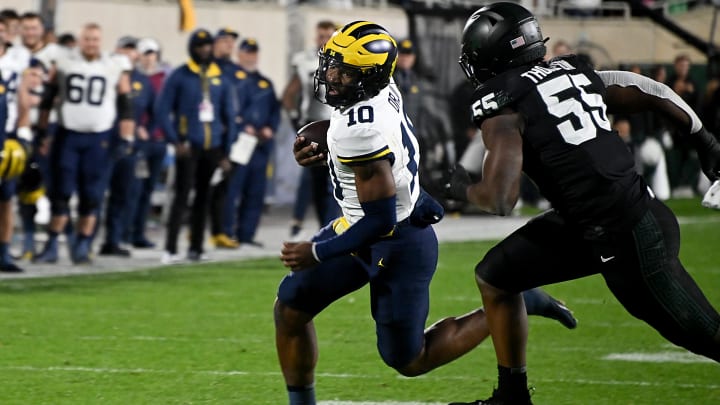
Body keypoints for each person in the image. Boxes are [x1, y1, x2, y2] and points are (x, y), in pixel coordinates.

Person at [274, 21, 576, 405]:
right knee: (290, 309)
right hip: (361, 223)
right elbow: (343, 129)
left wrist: (316, 252)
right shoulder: (382, 88)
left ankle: (520, 303)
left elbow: (380, 218)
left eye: (344, 71)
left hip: (397, 241)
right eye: (331, 64)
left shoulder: (360, 131)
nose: (331, 76)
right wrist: (317, 140)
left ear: (369, 76)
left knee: (410, 359)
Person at [444, 3, 720, 404]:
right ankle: (512, 396)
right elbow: (650, 90)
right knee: (496, 276)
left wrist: (458, 189)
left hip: (629, 234)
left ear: (488, 56)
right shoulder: (571, 70)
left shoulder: (502, 102)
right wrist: (707, 143)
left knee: (704, 333)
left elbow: (501, 198)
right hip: (588, 222)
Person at [33, 22, 135, 264]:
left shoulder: (114, 64)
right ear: (80, 40)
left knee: (91, 195)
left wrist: (127, 136)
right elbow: (48, 97)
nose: (91, 44)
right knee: (62, 192)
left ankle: (83, 245)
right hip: (69, 135)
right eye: (87, 39)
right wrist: (41, 130)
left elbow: (126, 104)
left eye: (95, 39)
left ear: (101, 41)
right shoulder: (65, 59)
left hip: (99, 136)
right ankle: (52, 244)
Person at [154, 28, 236, 264]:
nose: (205, 50)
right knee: (181, 198)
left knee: (203, 198)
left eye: (208, 46)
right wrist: (175, 141)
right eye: (200, 46)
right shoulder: (180, 75)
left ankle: (196, 248)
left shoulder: (219, 76)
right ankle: (170, 248)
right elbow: (162, 110)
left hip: (213, 148)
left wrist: (226, 151)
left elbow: (228, 115)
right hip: (188, 146)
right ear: (192, 48)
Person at [281, 20, 340, 239]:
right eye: (321, 34)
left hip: (338, 125)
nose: (323, 39)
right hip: (314, 125)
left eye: (328, 35)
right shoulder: (306, 60)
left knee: (334, 179)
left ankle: (329, 227)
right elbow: (289, 94)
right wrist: (296, 120)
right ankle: (305, 225)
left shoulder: (343, 59)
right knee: (312, 180)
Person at [220, 38, 280, 248]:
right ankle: (227, 231)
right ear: (240, 54)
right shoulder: (230, 79)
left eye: (254, 52)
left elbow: (275, 110)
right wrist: (243, 125)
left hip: (260, 146)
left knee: (256, 191)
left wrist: (270, 128)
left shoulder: (264, 82)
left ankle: (247, 233)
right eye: (247, 52)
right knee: (233, 189)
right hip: (240, 143)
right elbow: (228, 110)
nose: (251, 56)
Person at [98, 36, 153, 257]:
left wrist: (145, 129)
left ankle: (114, 239)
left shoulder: (142, 80)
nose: (129, 54)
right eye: (125, 49)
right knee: (96, 193)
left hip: (130, 145)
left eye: (132, 50)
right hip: (105, 140)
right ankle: (86, 240)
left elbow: (154, 109)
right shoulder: (106, 72)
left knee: (122, 194)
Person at [126, 37, 169, 249]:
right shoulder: (135, 79)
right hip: (138, 141)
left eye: (152, 53)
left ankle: (139, 231)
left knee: (147, 189)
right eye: (146, 54)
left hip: (157, 139)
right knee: (134, 188)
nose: (149, 58)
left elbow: (162, 110)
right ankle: (128, 231)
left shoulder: (164, 78)